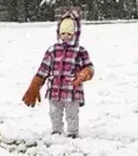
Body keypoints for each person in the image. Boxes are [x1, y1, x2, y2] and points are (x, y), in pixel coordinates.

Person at [22, 9, 94, 138]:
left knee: (72, 113)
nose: (66, 37)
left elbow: (89, 66)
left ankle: (72, 132)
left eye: (69, 34)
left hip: (72, 90)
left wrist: (86, 73)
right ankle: (56, 131)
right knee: (54, 112)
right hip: (55, 90)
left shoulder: (80, 51)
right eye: (63, 34)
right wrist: (35, 85)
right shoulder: (53, 50)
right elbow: (44, 69)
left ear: (75, 34)